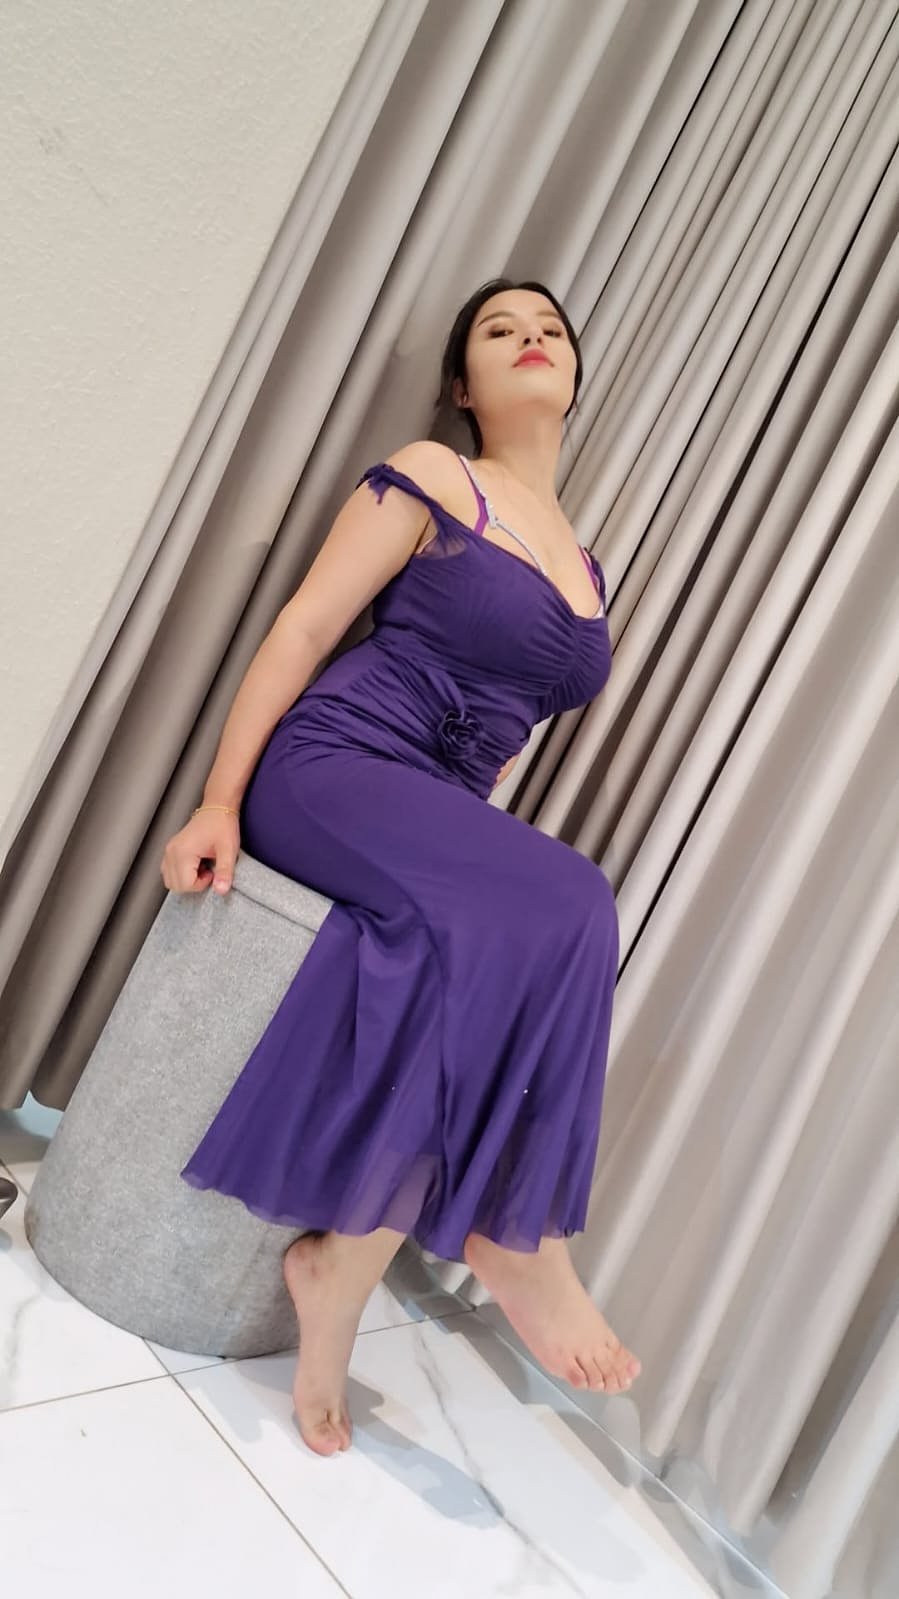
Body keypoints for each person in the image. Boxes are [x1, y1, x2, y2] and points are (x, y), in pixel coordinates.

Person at [161, 278, 641, 1457]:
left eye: (550, 329)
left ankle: (338, 1275)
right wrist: (219, 797)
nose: (532, 338)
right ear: (462, 385)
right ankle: (522, 1241)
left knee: (465, 973)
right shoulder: (433, 475)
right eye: (500, 330)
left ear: (573, 375)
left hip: (429, 808)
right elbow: (305, 626)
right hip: (334, 764)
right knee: (576, 897)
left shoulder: (585, 567)